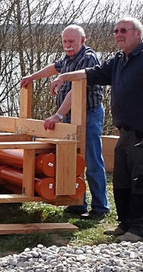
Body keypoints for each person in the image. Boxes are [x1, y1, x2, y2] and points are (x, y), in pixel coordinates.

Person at [52, 17, 143, 243]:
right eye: (116, 30)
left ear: (138, 34)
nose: (118, 34)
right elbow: (92, 73)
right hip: (125, 133)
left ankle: (138, 230)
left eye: (123, 30)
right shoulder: (118, 60)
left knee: (141, 183)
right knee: (122, 182)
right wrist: (65, 76)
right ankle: (124, 224)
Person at [20, 25, 109, 219]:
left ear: (82, 41)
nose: (68, 46)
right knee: (72, 159)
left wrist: (57, 116)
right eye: (65, 42)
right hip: (70, 115)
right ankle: (77, 202)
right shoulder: (69, 58)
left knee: (91, 160)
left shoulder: (88, 58)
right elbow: (54, 67)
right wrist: (32, 77)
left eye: (71, 42)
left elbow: (76, 91)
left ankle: (100, 208)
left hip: (88, 115)